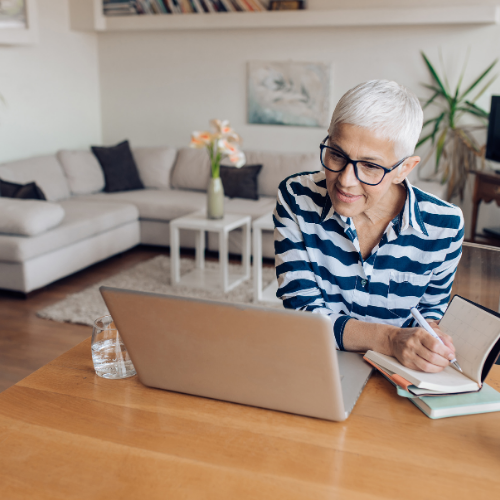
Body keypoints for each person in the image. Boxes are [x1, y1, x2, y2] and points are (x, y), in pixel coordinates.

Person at [274, 80, 464, 373]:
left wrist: (429, 342)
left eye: (371, 166)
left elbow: (428, 315)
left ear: (404, 169)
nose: (346, 180)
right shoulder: (296, 197)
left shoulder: (444, 225)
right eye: (336, 154)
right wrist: (389, 338)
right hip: (316, 365)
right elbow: (303, 312)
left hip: (395, 373)